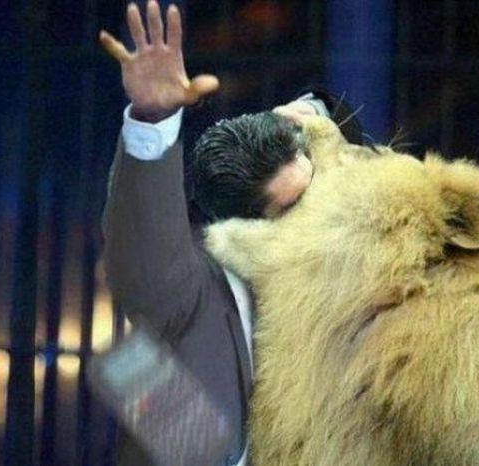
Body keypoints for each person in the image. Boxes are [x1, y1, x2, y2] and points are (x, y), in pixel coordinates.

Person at [100, 1, 363, 464]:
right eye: (294, 205)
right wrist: (152, 119)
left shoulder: (345, 290)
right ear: (248, 227)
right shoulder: (193, 291)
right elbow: (146, 257)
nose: (318, 207)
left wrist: (314, 114)